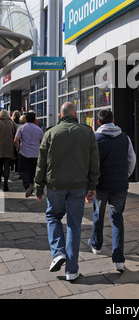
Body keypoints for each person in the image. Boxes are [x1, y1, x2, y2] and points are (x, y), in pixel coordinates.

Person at [34, 102, 100, 282]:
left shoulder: (50, 133)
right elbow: (94, 162)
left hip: (55, 185)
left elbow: (41, 163)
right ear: (76, 114)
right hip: (79, 186)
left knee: (53, 217)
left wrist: (38, 186)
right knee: (74, 224)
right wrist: (92, 186)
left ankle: (57, 253)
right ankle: (72, 270)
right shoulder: (87, 133)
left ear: (60, 115)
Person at [89, 109, 136, 272]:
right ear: (113, 120)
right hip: (120, 185)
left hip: (101, 185)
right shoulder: (125, 138)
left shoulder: (95, 138)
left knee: (98, 215)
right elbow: (132, 160)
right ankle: (118, 260)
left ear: (98, 122)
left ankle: (96, 245)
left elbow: (91, 163)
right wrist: (125, 175)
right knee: (117, 219)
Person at [14, 111, 44, 197]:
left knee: (23, 170)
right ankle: (31, 184)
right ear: (34, 119)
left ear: (26, 119)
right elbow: (41, 142)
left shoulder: (21, 128)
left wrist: (18, 148)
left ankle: (27, 186)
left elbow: (16, 140)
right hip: (35, 153)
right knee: (32, 171)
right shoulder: (39, 129)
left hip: (24, 152)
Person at [0, 110, 17, 191]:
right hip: (8, 148)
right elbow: (16, 135)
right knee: (7, 167)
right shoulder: (12, 123)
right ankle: (6, 182)